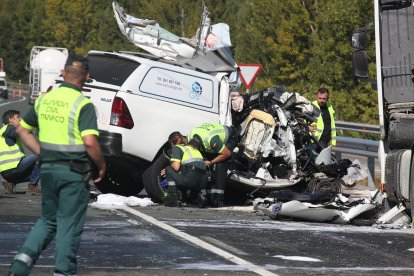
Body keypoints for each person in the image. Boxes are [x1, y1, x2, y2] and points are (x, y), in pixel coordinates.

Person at [7, 55, 106, 276]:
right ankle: (63, 272)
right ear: (87, 78)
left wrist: (43, 153)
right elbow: (90, 142)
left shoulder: (44, 100)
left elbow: (22, 131)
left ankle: (20, 266)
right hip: (74, 173)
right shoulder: (83, 104)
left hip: (49, 169)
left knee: (48, 220)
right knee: (68, 224)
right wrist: (101, 165)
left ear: (62, 72)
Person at [187, 122, 239, 207]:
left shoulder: (211, 140)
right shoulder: (189, 136)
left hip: (230, 137)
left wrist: (211, 162)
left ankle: (219, 199)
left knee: (220, 163)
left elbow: (226, 154)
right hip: (211, 138)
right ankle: (208, 193)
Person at [0, 110, 41, 195]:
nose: (20, 119)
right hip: (14, 167)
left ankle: (10, 182)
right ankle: (32, 187)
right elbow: (17, 133)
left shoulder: (3, 130)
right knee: (41, 155)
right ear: (10, 120)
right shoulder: (9, 127)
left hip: (6, 173)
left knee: (37, 171)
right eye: (18, 117)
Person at [163, 131, 208, 207]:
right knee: (187, 172)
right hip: (203, 181)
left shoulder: (177, 148)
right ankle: (200, 197)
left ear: (172, 142)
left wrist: (171, 164)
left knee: (168, 169)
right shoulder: (193, 147)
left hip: (191, 178)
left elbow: (176, 168)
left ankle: (174, 199)